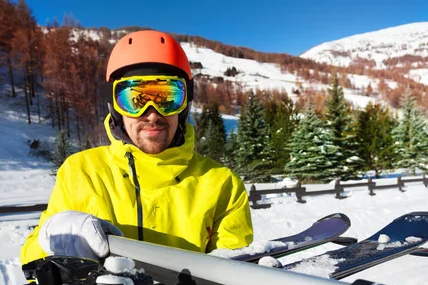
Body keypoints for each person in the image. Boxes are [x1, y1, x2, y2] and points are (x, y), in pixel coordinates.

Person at [20, 29, 253, 268]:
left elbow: (235, 281)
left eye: (167, 97)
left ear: (184, 105)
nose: (152, 114)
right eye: (135, 99)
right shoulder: (81, 173)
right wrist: (50, 239)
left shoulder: (221, 184)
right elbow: (31, 262)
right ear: (115, 107)